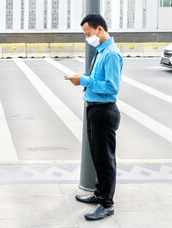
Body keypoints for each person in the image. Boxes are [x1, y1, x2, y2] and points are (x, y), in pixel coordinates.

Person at [65, 13, 122, 221]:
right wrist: (82, 79)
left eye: (88, 33)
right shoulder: (101, 51)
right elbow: (98, 80)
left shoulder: (111, 54)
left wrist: (84, 81)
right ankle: (99, 194)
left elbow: (112, 87)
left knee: (106, 160)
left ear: (100, 29)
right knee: (98, 157)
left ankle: (107, 204)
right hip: (94, 109)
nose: (87, 38)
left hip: (104, 111)